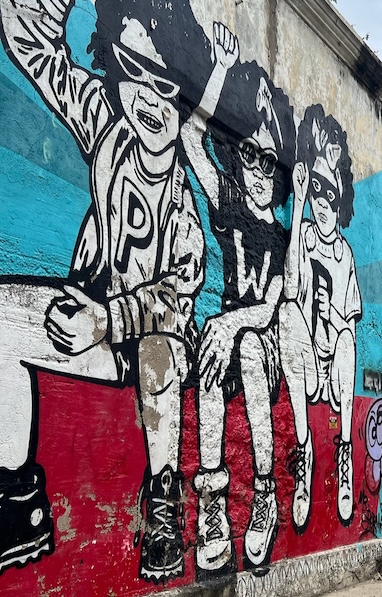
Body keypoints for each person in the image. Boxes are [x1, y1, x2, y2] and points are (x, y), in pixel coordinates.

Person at [0, 0, 208, 581]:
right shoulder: (107, 125)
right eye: (132, 72)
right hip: (89, 321)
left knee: (160, 348)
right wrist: (36, 13)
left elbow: (178, 293)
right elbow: (42, 57)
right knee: (3, 313)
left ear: (184, 100)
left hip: (144, 346)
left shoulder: (184, 213)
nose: (148, 98)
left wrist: (107, 320)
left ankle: (163, 503)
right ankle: (19, 506)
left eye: (164, 82)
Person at [181, 23, 296, 574]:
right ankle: (210, 503)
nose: (259, 171)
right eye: (250, 157)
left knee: (246, 341)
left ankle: (266, 495)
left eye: (269, 163)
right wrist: (220, 71)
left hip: (262, 346)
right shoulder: (226, 202)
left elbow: (272, 306)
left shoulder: (282, 236)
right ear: (238, 156)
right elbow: (188, 138)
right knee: (216, 343)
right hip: (224, 341)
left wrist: (232, 326)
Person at [279, 104, 360, 530]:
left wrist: (331, 325)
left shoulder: (345, 254)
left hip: (333, 369)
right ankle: (304, 452)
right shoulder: (305, 234)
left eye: (332, 194)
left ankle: (344, 452)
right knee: (290, 314)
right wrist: (296, 212)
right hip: (306, 359)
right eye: (317, 191)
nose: (323, 204)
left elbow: (348, 324)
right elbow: (291, 286)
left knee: (348, 339)